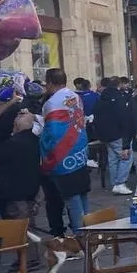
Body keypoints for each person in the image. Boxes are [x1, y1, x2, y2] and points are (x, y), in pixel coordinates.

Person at [38, 68, 91, 235]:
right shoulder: (75, 96)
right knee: (82, 195)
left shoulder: (51, 103)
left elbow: (52, 131)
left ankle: (81, 237)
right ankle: (90, 231)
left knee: (72, 198)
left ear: (50, 82)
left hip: (64, 155)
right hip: (79, 150)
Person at [0, 110, 42, 223]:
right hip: (32, 191)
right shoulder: (38, 141)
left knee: (15, 225)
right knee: (29, 223)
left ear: (16, 126)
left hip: (12, 193)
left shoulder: (9, 144)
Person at [93, 75, 137, 195]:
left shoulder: (101, 98)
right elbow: (123, 118)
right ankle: (120, 183)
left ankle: (115, 182)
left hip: (104, 134)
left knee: (113, 158)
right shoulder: (120, 98)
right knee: (126, 156)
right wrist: (126, 137)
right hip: (116, 133)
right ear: (118, 85)